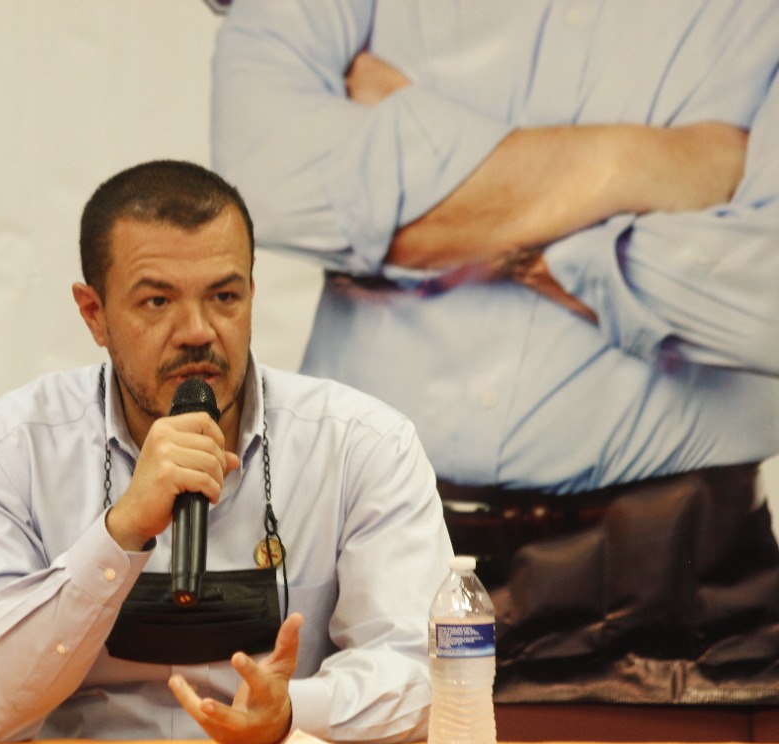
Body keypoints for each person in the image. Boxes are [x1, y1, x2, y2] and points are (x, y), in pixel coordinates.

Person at [211, 0, 779, 704]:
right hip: (367, 566)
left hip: (678, 607)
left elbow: (767, 299)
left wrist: (437, 168)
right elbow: (268, 184)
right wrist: (646, 166)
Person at [0, 160, 452, 744]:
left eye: (224, 296)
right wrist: (119, 533)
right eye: (157, 301)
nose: (197, 331)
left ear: (252, 294)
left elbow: (423, 671)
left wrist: (291, 713)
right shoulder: (7, 448)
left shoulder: (361, 445)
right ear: (95, 314)